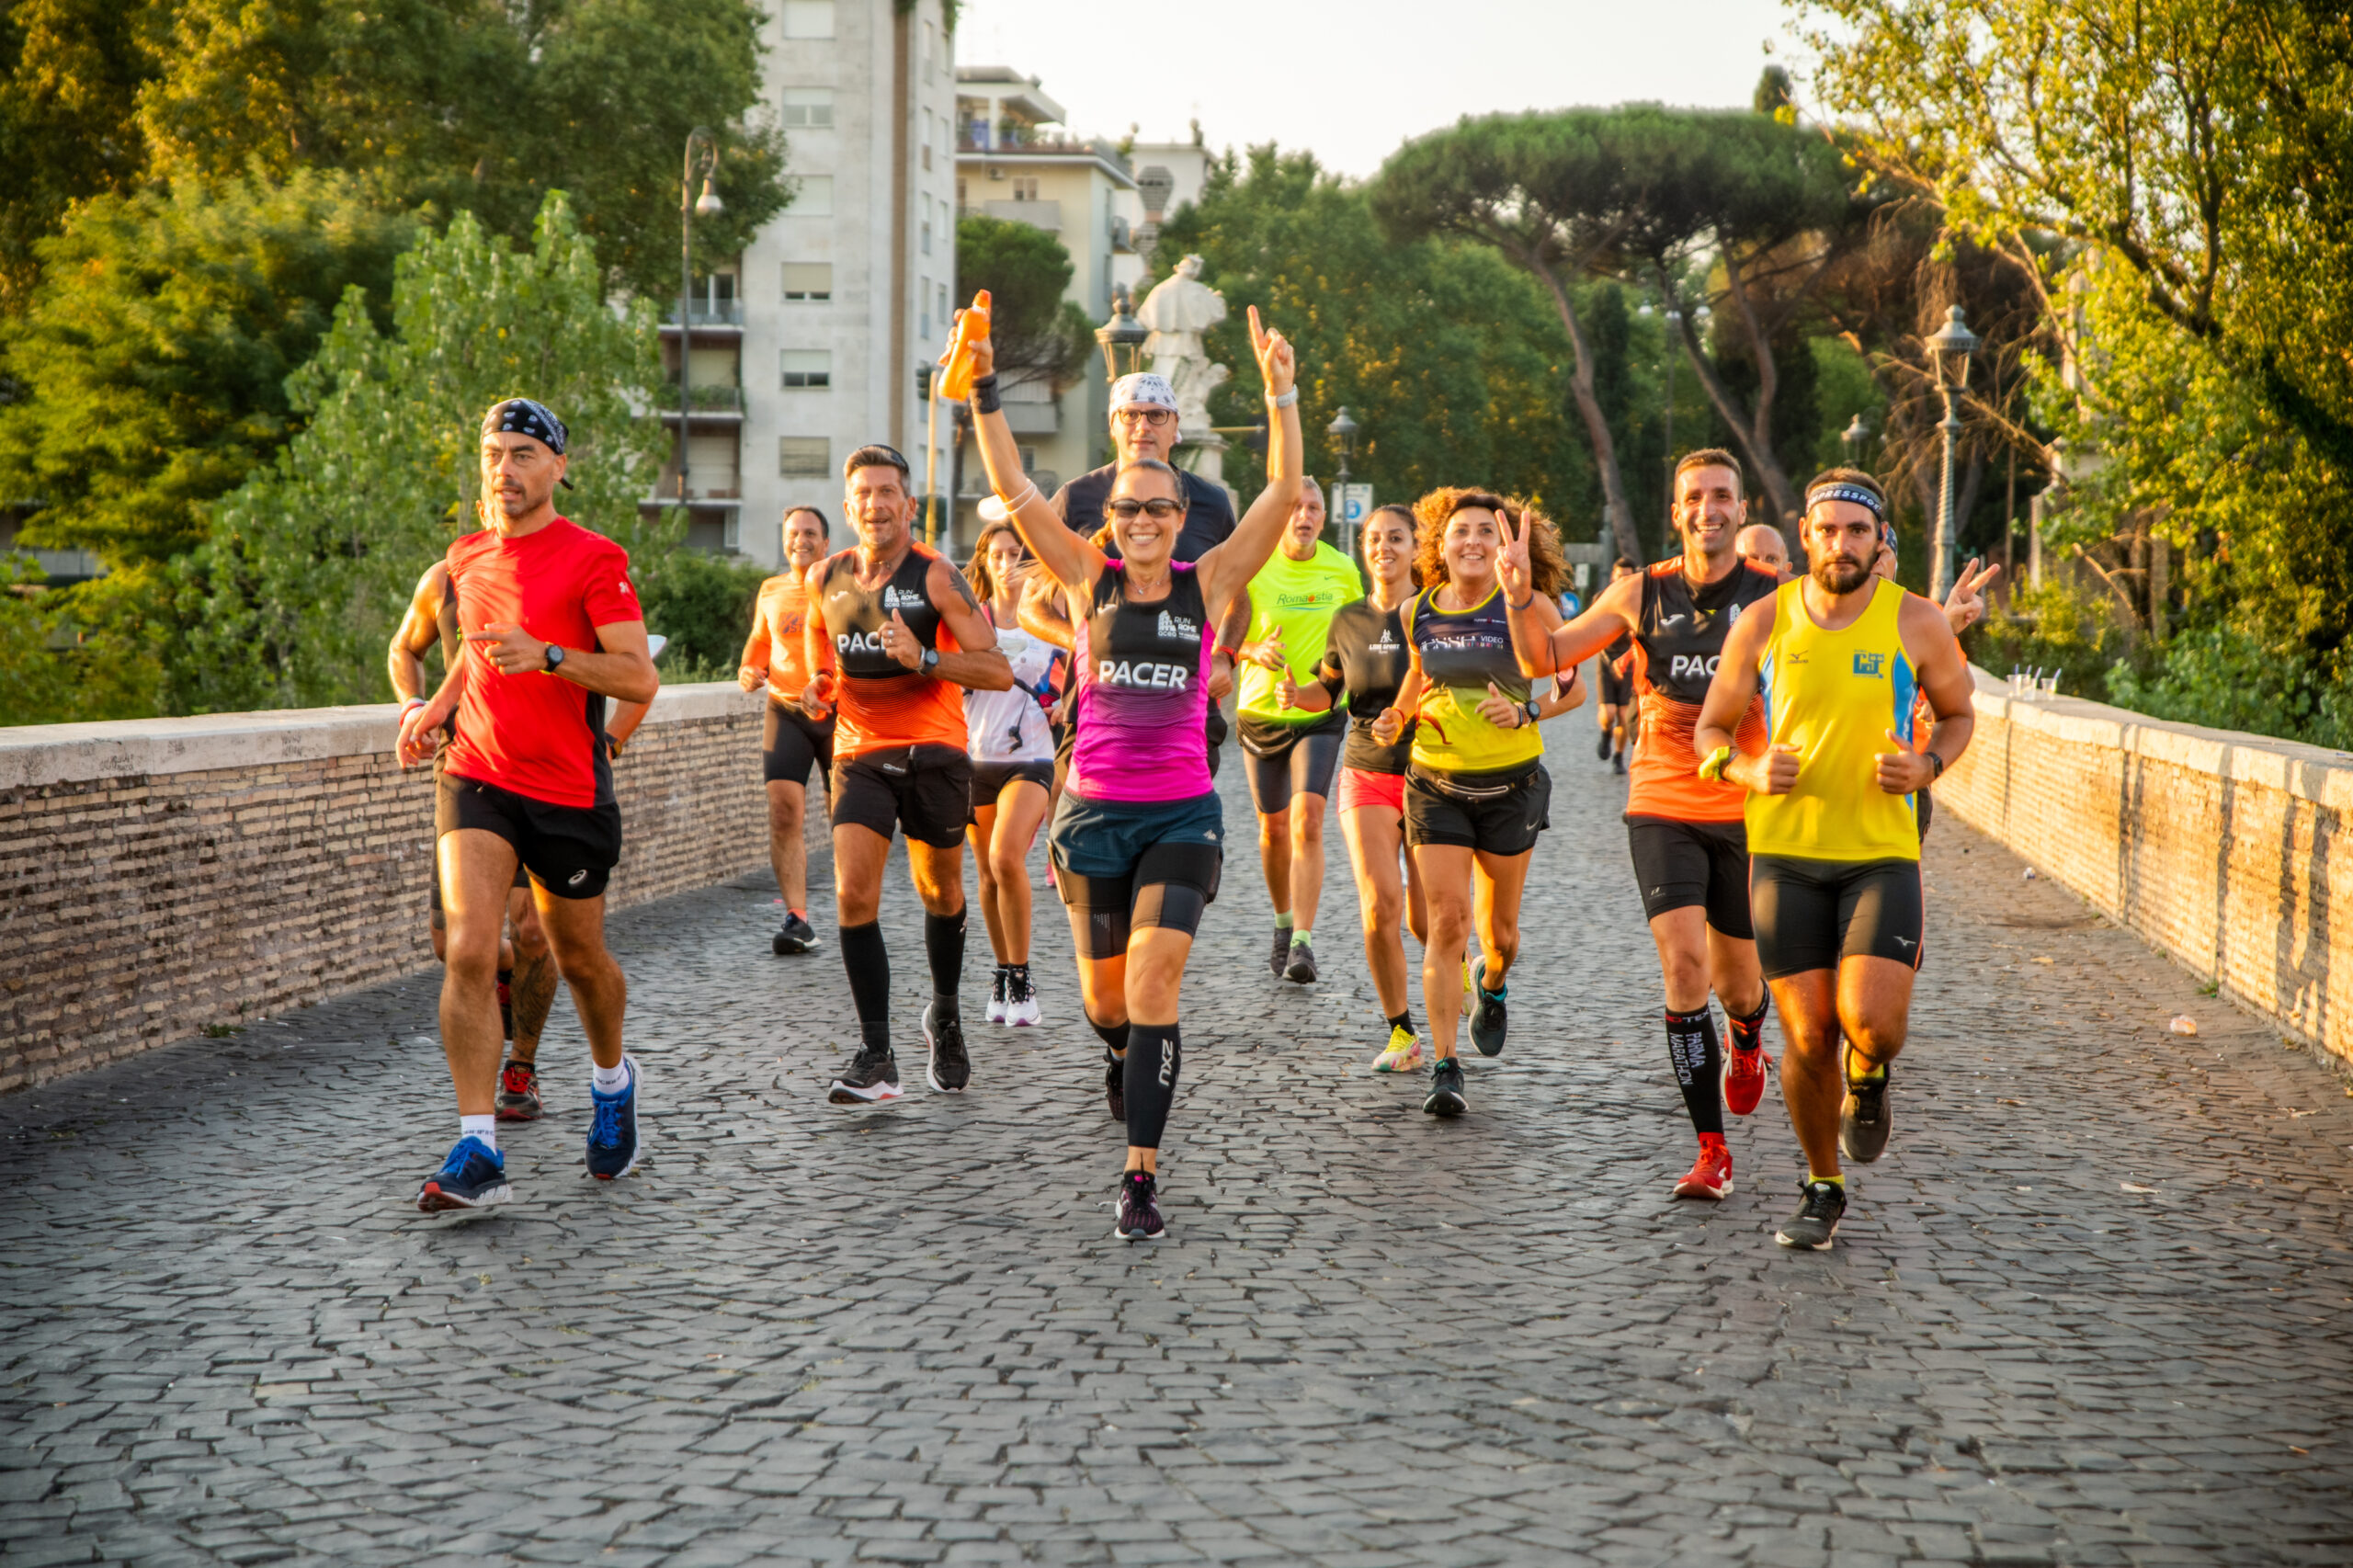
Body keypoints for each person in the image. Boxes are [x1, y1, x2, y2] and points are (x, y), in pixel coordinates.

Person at [965, 301, 1302, 1241]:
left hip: (1180, 815)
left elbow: (1282, 488)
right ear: (1110, 519)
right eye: (1129, 509)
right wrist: (985, 382)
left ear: (1180, 516)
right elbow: (1011, 481)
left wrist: (1281, 391)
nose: (1145, 519)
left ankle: (1140, 1178)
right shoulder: (1083, 577)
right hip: (1092, 817)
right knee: (1107, 1001)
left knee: (1156, 986)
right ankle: (1127, 1049)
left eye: (1160, 507)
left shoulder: (1212, 580)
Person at [1693, 467, 1976, 1250]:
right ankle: (1823, 1184)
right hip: (1784, 854)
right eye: (1828, 529)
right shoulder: (1761, 621)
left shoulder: (1917, 623)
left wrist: (1928, 768)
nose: (1842, 543)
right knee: (1809, 1034)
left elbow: (1958, 715)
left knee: (1872, 1026)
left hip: (1880, 854)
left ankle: (1873, 1076)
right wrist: (1746, 769)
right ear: (1806, 535)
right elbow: (1710, 731)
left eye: (1858, 530)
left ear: (1881, 540)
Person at [395, 398, 660, 1210]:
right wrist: (429, 710)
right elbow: (473, 661)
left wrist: (549, 657)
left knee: (579, 960)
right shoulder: (465, 557)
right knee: (471, 948)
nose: (503, 469)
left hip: (568, 789)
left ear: (557, 468)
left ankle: (613, 1085)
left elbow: (637, 677)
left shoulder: (595, 559)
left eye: (520, 454)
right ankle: (479, 1149)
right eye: (491, 454)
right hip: (477, 777)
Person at [1505, 449, 1779, 1201]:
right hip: (1661, 799)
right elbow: (1545, 655)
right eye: (1696, 497)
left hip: (1748, 803)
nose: (1708, 509)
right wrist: (1524, 594)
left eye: (1722, 495)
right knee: (1683, 967)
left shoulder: (1774, 598)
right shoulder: (1640, 594)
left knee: (1737, 983)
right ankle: (1710, 1149)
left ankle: (1750, 1035)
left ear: (1742, 508)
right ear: (1677, 510)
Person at [801, 446, 1013, 1104]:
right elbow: (824, 663)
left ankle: (944, 1014)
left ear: (909, 505)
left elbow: (997, 671)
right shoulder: (827, 579)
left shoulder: (938, 577)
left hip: (936, 750)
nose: (876, 503)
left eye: (887, 491)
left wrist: (925, 659)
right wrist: (817, 689)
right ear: (848, 507)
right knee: (852, 895)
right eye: (863, 493)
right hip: (860, 754)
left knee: (941, 894)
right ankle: (876, 1052)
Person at [1370, 491, 1581, 1118]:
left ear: (1504, 543)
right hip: (1436, 785)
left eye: (1485, 532)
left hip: (1511, 787)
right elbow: (1415, 674)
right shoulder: (1417, 611)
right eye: (1461, 531)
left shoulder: (1529, 605)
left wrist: (1526, 711)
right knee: (1447, 925)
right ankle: (1445, 1064)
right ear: (1441, 544)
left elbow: (1573, 688)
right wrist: (1397, 716)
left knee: (1501, 935)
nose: (1472, 542)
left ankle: (1492, 985)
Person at [391, 560, 557, 1119]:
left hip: (541, 771)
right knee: (451, 944)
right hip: (464, 771)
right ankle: (507, 978)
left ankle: (522, 1068)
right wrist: (416, 705)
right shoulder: (442, 579)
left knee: (533, 930)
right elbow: (403, 649)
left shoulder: (553, 569)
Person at [1030, 371, 1239, 781]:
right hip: (1093, 705)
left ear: (1176, 426)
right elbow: (1030, 605)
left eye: (1157, 415)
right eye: (1130, 414)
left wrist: (1224, 656)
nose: (1142, 425)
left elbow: (1239, 596)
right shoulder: (1076, 498)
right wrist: (1093, 639)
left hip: (1186, 704)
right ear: (1112, 424)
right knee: (1077, 827)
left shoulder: (1211, 503)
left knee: (1179, 820)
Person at [1278, 503, 1427, 1069]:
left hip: (1431, 772)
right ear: (1363, 548)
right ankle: (1401, 1032)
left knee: (1427, 917)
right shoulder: (1347, 620)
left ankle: (1457, 964)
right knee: (1379, 905)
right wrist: (1299, 697)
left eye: (1395, 538)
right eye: (1373, 538)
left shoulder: (1435, 611)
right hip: (1365, 770)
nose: (1383, 547)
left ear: (1416, 547)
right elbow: (1328, 689)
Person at [1233, 478, 1363, 984]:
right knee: (1273, 828)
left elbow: (1359, 633)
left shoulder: (1342, 568)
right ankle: (1284, 923)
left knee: (1308, 818)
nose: (1304, 516)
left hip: (1321, 713)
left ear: (1323, 517)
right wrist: (1252, 652)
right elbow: (1223, 638)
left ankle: (1304, 944)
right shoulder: (1253, 565)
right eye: (1294, 508)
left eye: (1313, 508)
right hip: (1262, 710)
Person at [963, 516, 1060, 1028]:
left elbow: (1085, 669)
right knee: (985, 873)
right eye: (996, 554)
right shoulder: (968, 621)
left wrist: (1067, 701)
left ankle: (1022, 979)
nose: (1006, 564)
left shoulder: (1049, 619)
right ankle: (1001, 973)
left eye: (1016, 554)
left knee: (1006, 856)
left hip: (1032, 758)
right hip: (976, 757)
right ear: (984, 561)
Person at [737, 506, 835, 956]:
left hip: (840, 714)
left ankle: (856, 909)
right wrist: (747, 670)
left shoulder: (840, 587)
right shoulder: (771, 590)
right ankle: (798, 918)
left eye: (810, 533)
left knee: (848, 818)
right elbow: (759, 643)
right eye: (793, 532)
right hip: (785, 709)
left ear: (826, 542)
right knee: (783, 810)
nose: (801, 539)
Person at [1594, 557, 1639, 774]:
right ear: (1613, 576)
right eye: (1620, 576)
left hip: (1630, 662)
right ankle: (1605, 733)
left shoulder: (1640, 600)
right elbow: (1590, 628)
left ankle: (1618, 757)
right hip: (1605, 659)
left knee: (1623, 714)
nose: (1624, 580)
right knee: (1608, 713)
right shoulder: (1601, 598)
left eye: (1628, 576)